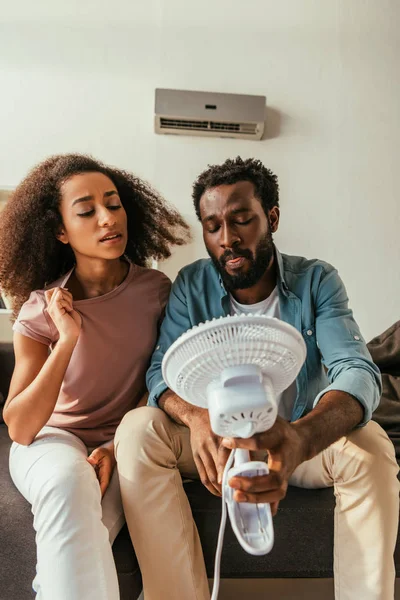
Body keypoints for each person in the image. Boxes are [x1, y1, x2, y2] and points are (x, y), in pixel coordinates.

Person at [115, 157, 400, 600]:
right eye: (212, 226)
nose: (227, 239)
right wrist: (195, 418)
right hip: (217, 444)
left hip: (296, 441)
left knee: (373, 446)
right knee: (137, 430)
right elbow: (159, 372)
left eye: (242, 220)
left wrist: (302, 438)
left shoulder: (316, 281)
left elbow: (357, 370)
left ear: (272, 217)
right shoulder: (191, 285)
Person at [0, 153, 190, 600]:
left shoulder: (157, 293)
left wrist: (114, 446)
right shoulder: (40, 308)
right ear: (61, 231)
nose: (108, 219)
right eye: (87, 211)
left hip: (127, 444)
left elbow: (161, 380)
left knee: (78, 545)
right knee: (69, 483)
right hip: (52, 440)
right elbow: (22, 427)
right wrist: (66, 338)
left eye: (114, 203)